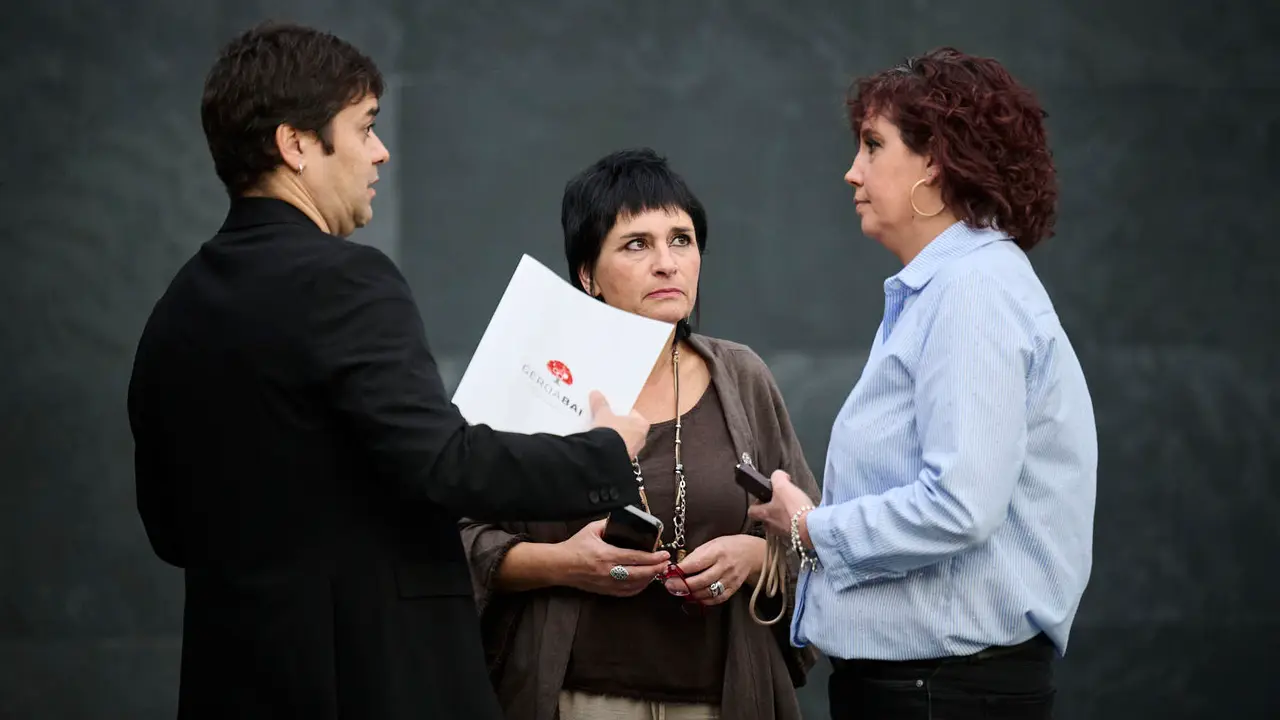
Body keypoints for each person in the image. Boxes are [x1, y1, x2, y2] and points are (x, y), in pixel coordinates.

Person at [127, 23, 650, 720]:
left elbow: (170, 531)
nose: (381, 151)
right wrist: (605, 449)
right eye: (364, 127)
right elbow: (444, 464)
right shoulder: (346, 281)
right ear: (296, 146)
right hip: (373, 678)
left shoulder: (177, 306)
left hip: (233, 680)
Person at [749, 47, 1098, 719]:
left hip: (939, 690)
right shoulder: (954, 288)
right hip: (932, 684)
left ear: (935, 161)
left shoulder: (971, 292)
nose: (852, 172)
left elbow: (960, 505)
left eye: (873, 146)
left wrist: (811, 528)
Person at [459, 148, 821, 720]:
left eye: (681, 239)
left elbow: (816, 536)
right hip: (571, 699)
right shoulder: (535, 376)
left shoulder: (742, 375)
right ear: (587, 275)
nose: (667, 262)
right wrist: (563, 563)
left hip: (724, 699)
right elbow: (453, 538)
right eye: (636, 244)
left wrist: (755, 558)